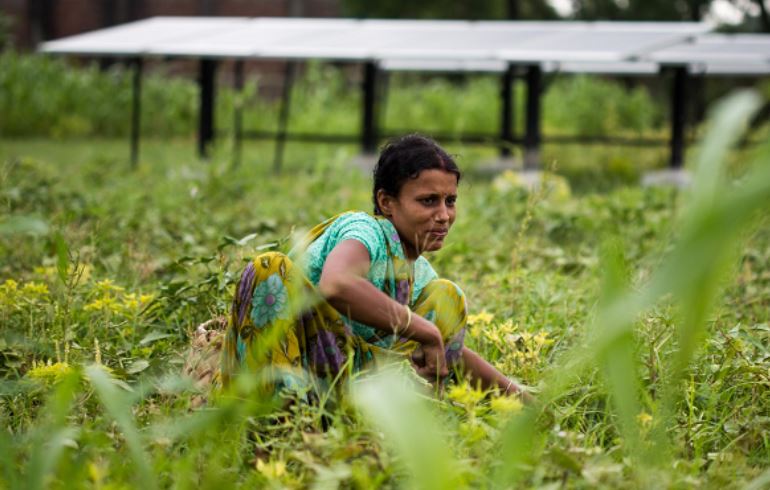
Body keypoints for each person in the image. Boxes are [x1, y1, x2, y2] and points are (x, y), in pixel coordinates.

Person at [219, 134, 528, 402]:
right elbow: (337, 284)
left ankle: (411, 422)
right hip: (293, 367)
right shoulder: (365, 231)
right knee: (269, 266)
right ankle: (274, 422)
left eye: (450, 201)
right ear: (386, 202)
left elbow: (452, 354)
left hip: (345, 384)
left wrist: (524, 401)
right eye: (428, 200)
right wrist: (425, 330)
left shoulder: (416, 272)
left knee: (447, 296)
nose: (444, 215)